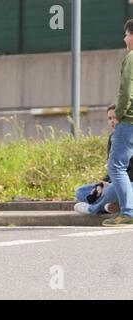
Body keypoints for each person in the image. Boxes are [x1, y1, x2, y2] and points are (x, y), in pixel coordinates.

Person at [74, 104, 133, 215]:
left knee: (114, 188)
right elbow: (113, 169)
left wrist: (112, 183)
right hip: (117, 183)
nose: (112, 121)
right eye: (109, 118)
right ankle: (111, 206)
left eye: (115, 118)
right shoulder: (112, 138)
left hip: (129, 184)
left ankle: (93, 209)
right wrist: (102, 185)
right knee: (81, 191)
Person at [102, 19, 133, 226]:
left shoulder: (131, 57)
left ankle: (128, 212)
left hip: (129, 120)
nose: (124, 38)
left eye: (127, 34)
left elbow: (126, 88)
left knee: (116, 166)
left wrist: (120, 114)